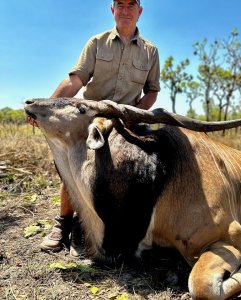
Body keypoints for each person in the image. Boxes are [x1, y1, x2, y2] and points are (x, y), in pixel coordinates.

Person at [40, 0, 160, 257]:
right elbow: (75, 81)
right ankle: (64, 224)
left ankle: (106, 227)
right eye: (120, 4)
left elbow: (152, 91)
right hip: (91, 117)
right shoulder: (96, 42)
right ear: (112, 9)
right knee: (75, 161)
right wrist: (47, 107)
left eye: (131, 5)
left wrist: (136, 114)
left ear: (139, 11)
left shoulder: (151, 51)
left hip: (125, 121)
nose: (125, 10)